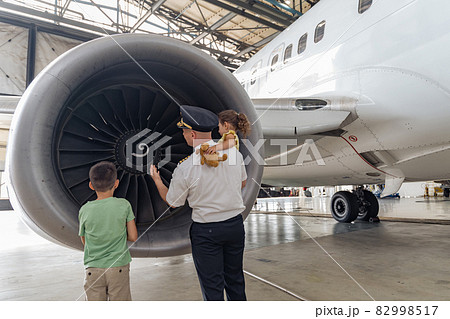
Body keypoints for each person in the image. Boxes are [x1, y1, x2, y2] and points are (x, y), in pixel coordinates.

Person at [150, 105, 248, 301]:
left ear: (192, 133)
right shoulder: (234, 154)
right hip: (235, 226)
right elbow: (243, 182)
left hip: (207, 232)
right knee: (236, 281)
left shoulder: (186, 166)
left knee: (213, 289)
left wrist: (157, 181)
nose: (184, 135)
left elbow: (174, 202)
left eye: (184, 131)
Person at [78, 161, 138, 301]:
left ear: (91, 185)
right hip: (118, 267)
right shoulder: (124, 205)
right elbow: (133, 236)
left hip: (93, 268)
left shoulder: (84, 209)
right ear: (116, 183)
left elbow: (83, 238)